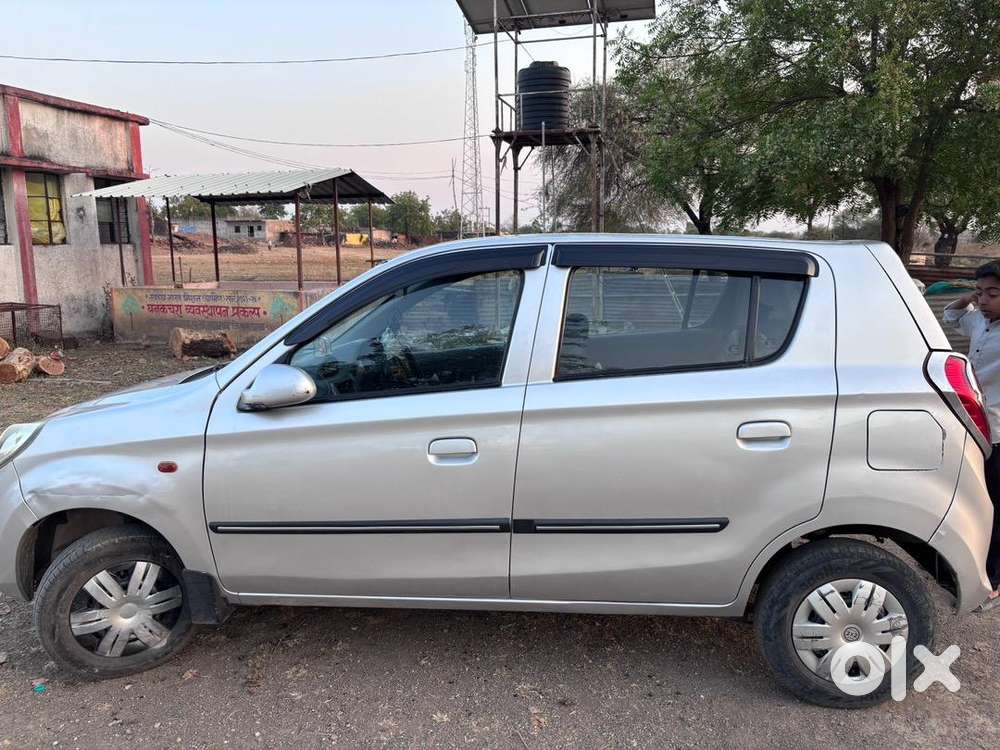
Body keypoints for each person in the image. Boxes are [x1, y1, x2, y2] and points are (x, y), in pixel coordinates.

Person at [943, 261, 1000, 612]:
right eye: (981, 292)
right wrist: (971, 297)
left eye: (992, 293)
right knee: (976, 500)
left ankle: (995, 580)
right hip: (975, 426)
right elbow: (950, 315)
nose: (983, 300)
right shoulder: (979, 319)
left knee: (997, 506)